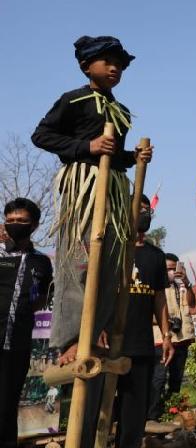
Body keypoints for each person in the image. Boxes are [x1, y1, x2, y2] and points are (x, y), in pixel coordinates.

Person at [31, 35, 153, 365]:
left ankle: (94, 331)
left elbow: (114, 157)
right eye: (107, 61)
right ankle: (70, 339)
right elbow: (41, 135)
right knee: (79, 260)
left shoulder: (122, 111)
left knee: (110, 265)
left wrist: (133, 157)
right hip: (84, 186)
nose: (114, 68)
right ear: (87, 66)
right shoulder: (73, 100)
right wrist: (88, 147)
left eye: (120, 64)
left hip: (113, 188)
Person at [81, 195, 173, 448]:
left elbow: (159, 299)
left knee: (133, 414)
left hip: (140, 344)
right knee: (96, 410)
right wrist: (97, 327)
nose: (144, 214)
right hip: (105, 343)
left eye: (147, 210)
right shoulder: (109, 249)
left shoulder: (155, 256)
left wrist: (166, 336)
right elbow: (91, 293)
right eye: (138, 209)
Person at [0, 198, 52, 447]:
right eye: (10, 220)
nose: (14, 225)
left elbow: (42, 299)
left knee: (8, 405)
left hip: (17, 345)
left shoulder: (41, 262)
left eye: (21, 221)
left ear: (34, 225)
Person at [148, 253, 196, 420]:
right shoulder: (154, 286)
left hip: (181, 339)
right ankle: (153, 417)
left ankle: (172, 413)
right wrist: (165, 322)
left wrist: (187, 282)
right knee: (158, 380)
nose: (170, 272)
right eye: (167, 269)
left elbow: (192, 304)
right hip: (161, 340)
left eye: (173, 269)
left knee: (176, 380)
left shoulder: (181, 286)